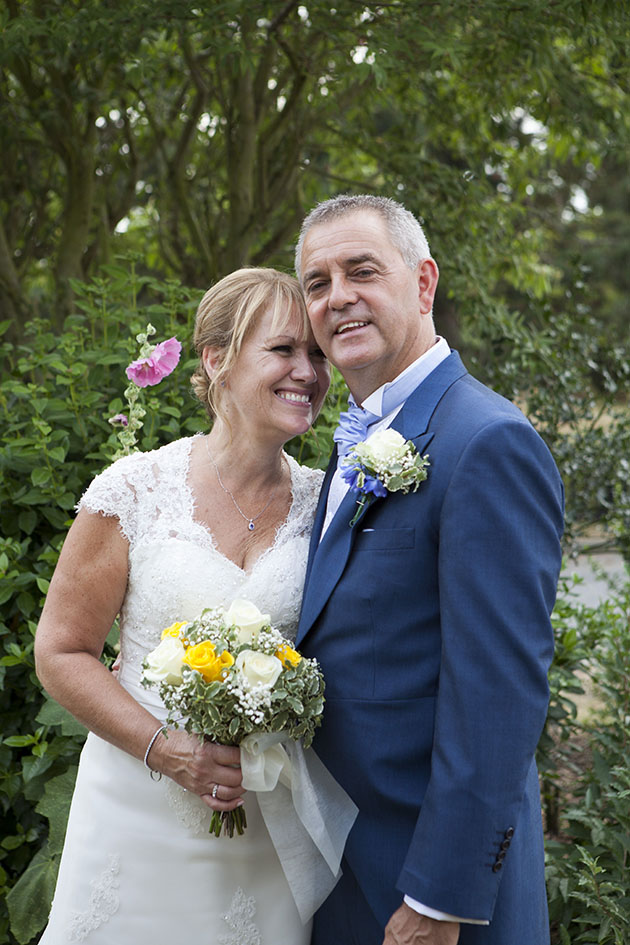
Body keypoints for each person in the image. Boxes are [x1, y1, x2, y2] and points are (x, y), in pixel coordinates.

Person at [293, 194, 564, 945]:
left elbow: (499, 696)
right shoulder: (353, 443)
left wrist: (441, 899)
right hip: (342, 874)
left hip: (431, 896)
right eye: (317, 283)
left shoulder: (486, 443)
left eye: (360, 271)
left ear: (423, 282)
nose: (336, 296)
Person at [35, 267, 330, 944]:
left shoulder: (328, 505)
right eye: (284, 350)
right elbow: (59, 651)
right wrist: (165, 748)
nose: (308, 371)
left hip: (265, 830)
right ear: (216, 359)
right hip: (136, 814)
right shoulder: (137, 488)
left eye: (317, 354)